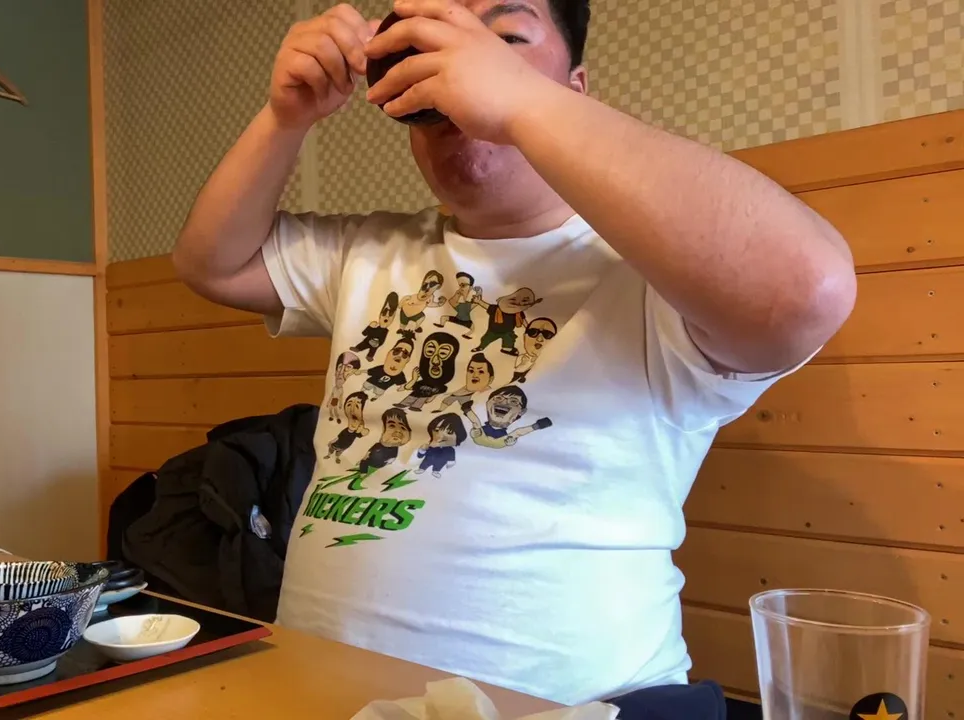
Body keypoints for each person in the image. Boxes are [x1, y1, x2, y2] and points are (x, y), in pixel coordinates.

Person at [172, 0, 855, 705]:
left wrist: (520, 103)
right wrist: (287, 117)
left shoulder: (652, 271)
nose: (457, 60)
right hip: (319, 699)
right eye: (430, 46)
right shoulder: (369, 251)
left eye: (505, 37)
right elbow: (211, 265)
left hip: (579, 709)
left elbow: (806, 290)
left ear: (575, 89)